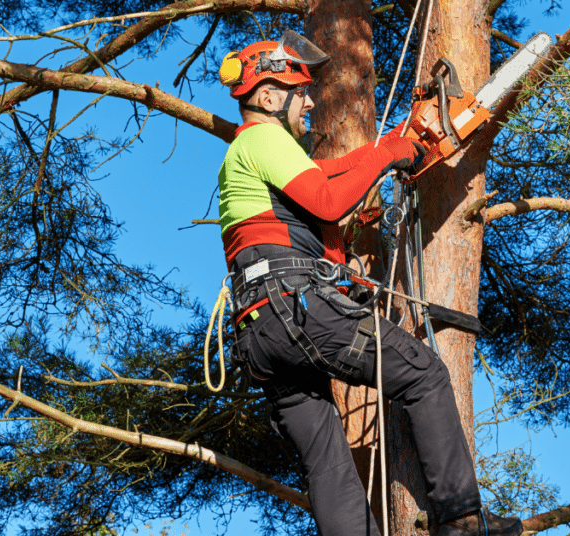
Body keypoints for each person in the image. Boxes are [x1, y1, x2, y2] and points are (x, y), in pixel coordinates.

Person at [216, 30, 523, 536]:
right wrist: (387, 155)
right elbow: (330, 198)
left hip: (261, 331)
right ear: (268, 97)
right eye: (300, 92)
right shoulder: (262, 138)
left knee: (327, 460)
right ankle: (462, 522)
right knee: (423, 373)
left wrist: (394, 148)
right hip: (295, 308)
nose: (310, 101)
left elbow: (329, 175)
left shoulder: (249, 158)